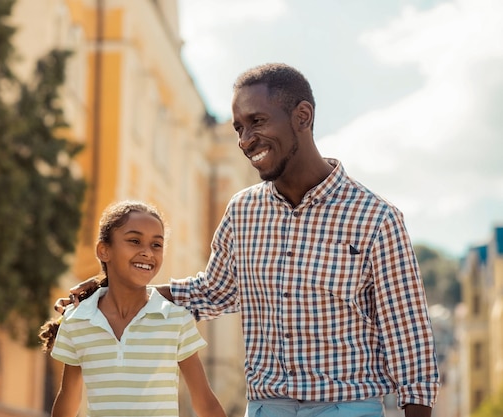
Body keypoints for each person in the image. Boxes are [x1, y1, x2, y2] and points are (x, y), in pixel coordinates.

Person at [56, 63, 439, 417]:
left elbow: (408, 335)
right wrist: (112, 286)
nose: (246, 139)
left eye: (257, 121)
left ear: (302, 117)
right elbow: (212, 292)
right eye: (239, 127)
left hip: (348, 406)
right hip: (265, 408)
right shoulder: (242, 212)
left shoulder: (376, 218)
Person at [40, 200, 227, 417]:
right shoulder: (77, 320)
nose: (147, 252)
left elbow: (204, 401)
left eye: (156, 245)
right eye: (135, 241)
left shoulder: (176, 319)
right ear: (104, 250)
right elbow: (68, 399)